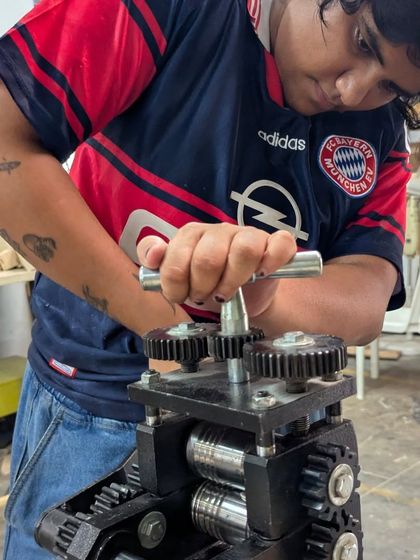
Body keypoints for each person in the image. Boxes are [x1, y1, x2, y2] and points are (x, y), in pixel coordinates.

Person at [0, 0, 419, 557]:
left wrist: (264, 297)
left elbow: (366, 293)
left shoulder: (381, 131)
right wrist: (171, 329)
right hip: (100, 413)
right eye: (362, 41)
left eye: (390, 85)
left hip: (278, 432)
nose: (352, 90)